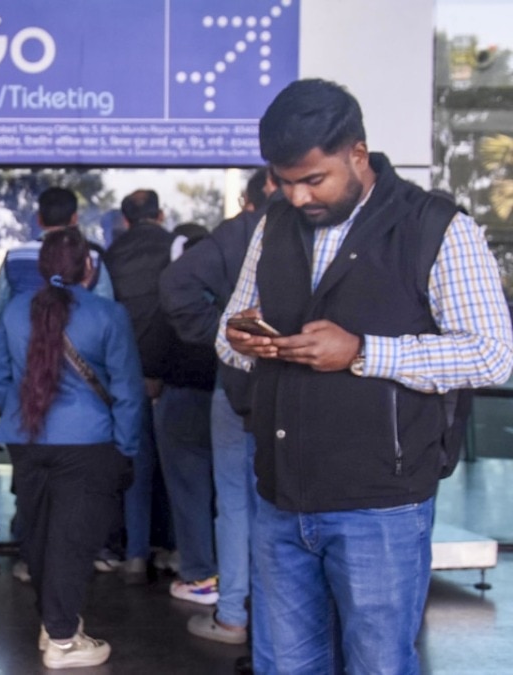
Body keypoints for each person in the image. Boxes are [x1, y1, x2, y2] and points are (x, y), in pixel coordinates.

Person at [220, 79, 513, 674]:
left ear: (358, 153)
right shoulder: (273, 225)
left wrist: (363, 352)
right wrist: (241, 340)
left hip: (381, 507)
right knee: (283, 667)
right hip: (279, 497)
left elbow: (492, 355)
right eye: (284, 181)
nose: (298, 196)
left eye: (313, 179)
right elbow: (231, 330)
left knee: (378, 666)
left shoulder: (437, 227)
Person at [0, 227, 145, 670]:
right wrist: (126, 448)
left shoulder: (16, 311)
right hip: (88, 442)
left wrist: (17, 418)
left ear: (42, 268)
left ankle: (53, 622)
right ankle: (61, 639)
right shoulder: (108, 314)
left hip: (26, 440)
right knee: (72, 541)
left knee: (38, 535)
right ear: (89, 268)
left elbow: (0, 375)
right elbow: (127, 390)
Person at [160, 168, 277, 660]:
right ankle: (279, 623)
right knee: (286, 505)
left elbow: (176, 284)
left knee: (234, 504)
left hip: (238, 386)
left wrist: (229, 337)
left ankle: (232, 615)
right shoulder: (337, 227)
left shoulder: (241, 232)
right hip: (305, 390)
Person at [99, 189, 177, 584]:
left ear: (126, 219)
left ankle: (134, 554)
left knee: (135, 464)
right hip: (171, 376)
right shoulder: (175, 249)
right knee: (179, 470)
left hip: (124, 374)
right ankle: (175, 549)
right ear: (160, 214)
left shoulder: (111, 256)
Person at [0, 186, 115, 325]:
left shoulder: (14, 257)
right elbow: (106, 309)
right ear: (74, 219)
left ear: (39, 219)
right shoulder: (91, 259)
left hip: (22, 337)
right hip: (80, 337)